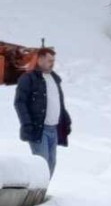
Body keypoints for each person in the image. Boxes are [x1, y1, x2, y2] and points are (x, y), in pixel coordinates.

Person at [14, 47, 72, 177]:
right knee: (42, 164)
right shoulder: (28, 78)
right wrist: (27, 124)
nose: (52, 63)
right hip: (39, 129)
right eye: (49, 60)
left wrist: (66, 120)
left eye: (53, 60)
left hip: (54, 130)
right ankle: (34, 193)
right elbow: (19, 102)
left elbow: (58, 103)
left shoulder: (54, 79)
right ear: (39, 60)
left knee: (51, 164)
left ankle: (41, 193)